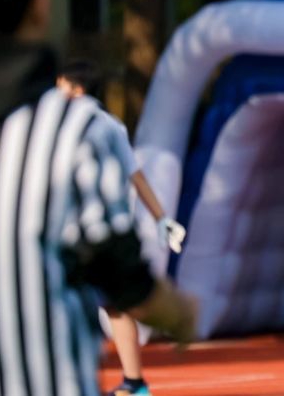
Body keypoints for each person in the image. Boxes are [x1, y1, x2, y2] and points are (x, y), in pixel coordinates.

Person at [0, 0, 196, 395]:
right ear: (40, 1)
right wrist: (180, 314)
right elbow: (120, 271)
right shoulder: (72, 128)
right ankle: (134, 380)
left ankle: (134, 380)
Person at [56, 60, 188, 396]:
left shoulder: (102, 127)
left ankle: (133, 382)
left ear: (78, 90)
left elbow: (134, 174)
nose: (56, 94)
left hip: (94, 232)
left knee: (111, 306)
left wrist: (161, 218)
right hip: (72, 229)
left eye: (61, 87)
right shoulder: (63, 126)